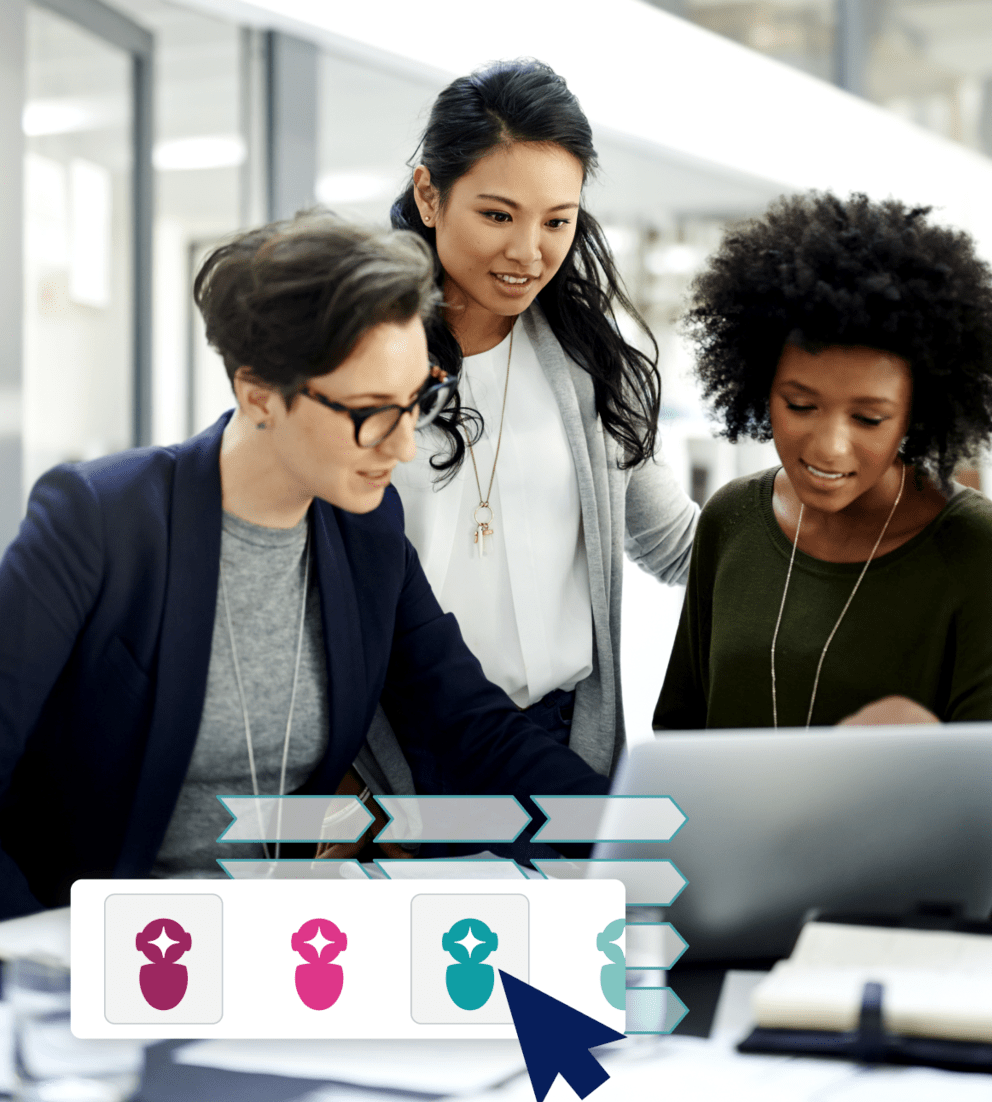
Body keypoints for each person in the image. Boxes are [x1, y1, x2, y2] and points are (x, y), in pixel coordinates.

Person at [0, 212, 608, 923]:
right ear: (258, 393)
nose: (403, 447)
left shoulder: (366, 532)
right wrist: (45, 949)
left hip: (277, 944)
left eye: (417, 401)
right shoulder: (101, 519)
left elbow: (468, 723)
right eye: (371, 412)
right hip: (100, 945)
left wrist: (633, 836)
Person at [363, 57, 697, 800]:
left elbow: (677, 544)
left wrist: (843, 539)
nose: (528, 251)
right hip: (396, 748)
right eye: (497, 215)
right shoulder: (361, 359)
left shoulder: (592, 362)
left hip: (558, 738)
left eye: (557, 221)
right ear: (429, 195)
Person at [654, 191, 992, 734]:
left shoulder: (977, 549)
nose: (829, 447)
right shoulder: (730, 519)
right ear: (761, 386)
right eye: (800, 405)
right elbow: (678, 732)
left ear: (917, 413)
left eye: (869, 418)